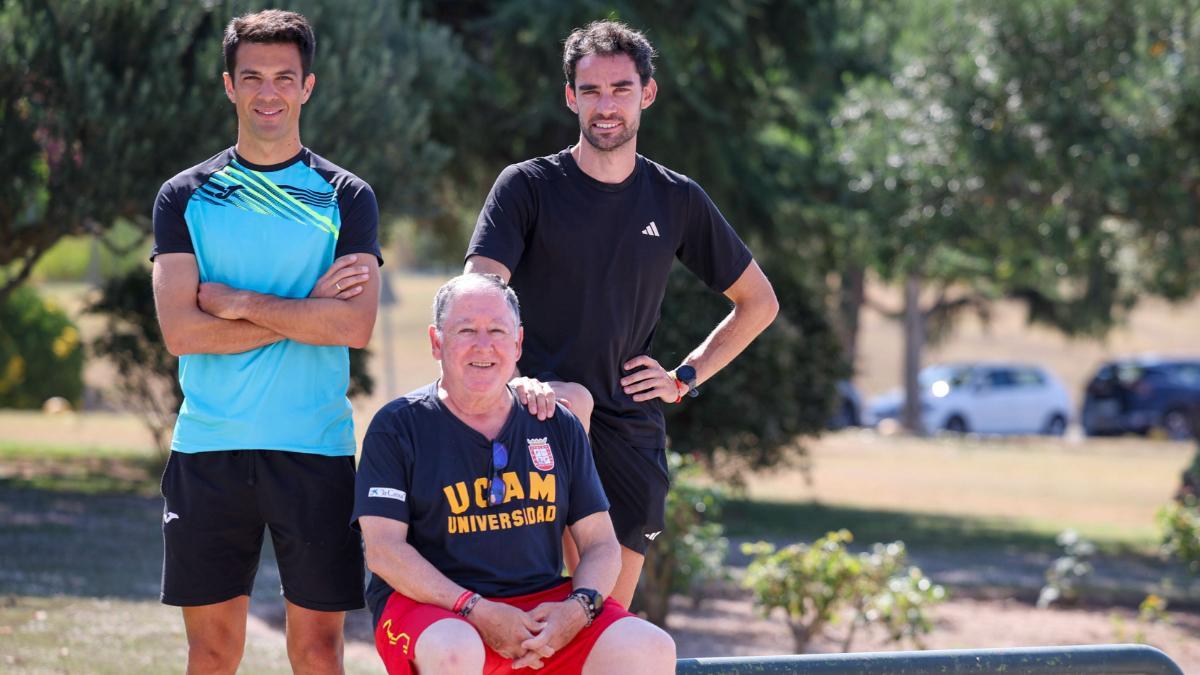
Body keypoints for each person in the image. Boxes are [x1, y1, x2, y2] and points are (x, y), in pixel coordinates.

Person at [465, 20, 779, 607]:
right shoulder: (527, 188)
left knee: (603, 619)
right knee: (534, 616)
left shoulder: (675, 198)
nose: (605, 106)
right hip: (533, 416)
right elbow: (478, 294)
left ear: (647, 94)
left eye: (621, 90)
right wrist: (510, 381)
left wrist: (684, 378)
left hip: (629, 432)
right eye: (591, 91)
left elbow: (758, 303)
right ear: (570, 97)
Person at [150, 10, 381, 674]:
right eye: (252, 77)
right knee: (213, 651)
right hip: (208, 447)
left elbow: (354, 326)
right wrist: (307, 309)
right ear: (229, 85)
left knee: (317, 650)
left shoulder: (347, 197)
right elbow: (181, 332)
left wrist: (239, 301)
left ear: (308, 85)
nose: (268, 93)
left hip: (315, 447)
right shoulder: (184, 197)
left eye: (284, 77)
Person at [353, 274, 675, 674]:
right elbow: (384, 551)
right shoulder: (398, 427)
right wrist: (476, 609)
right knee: (455, 649)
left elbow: (600, 545)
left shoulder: (555, 421)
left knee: (651, 647)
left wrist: (577, 609)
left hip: (538, 605)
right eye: (465, 330)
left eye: (497, 331)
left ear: (518, 342)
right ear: (437, 341)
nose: (483, 345)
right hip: (433, 607)